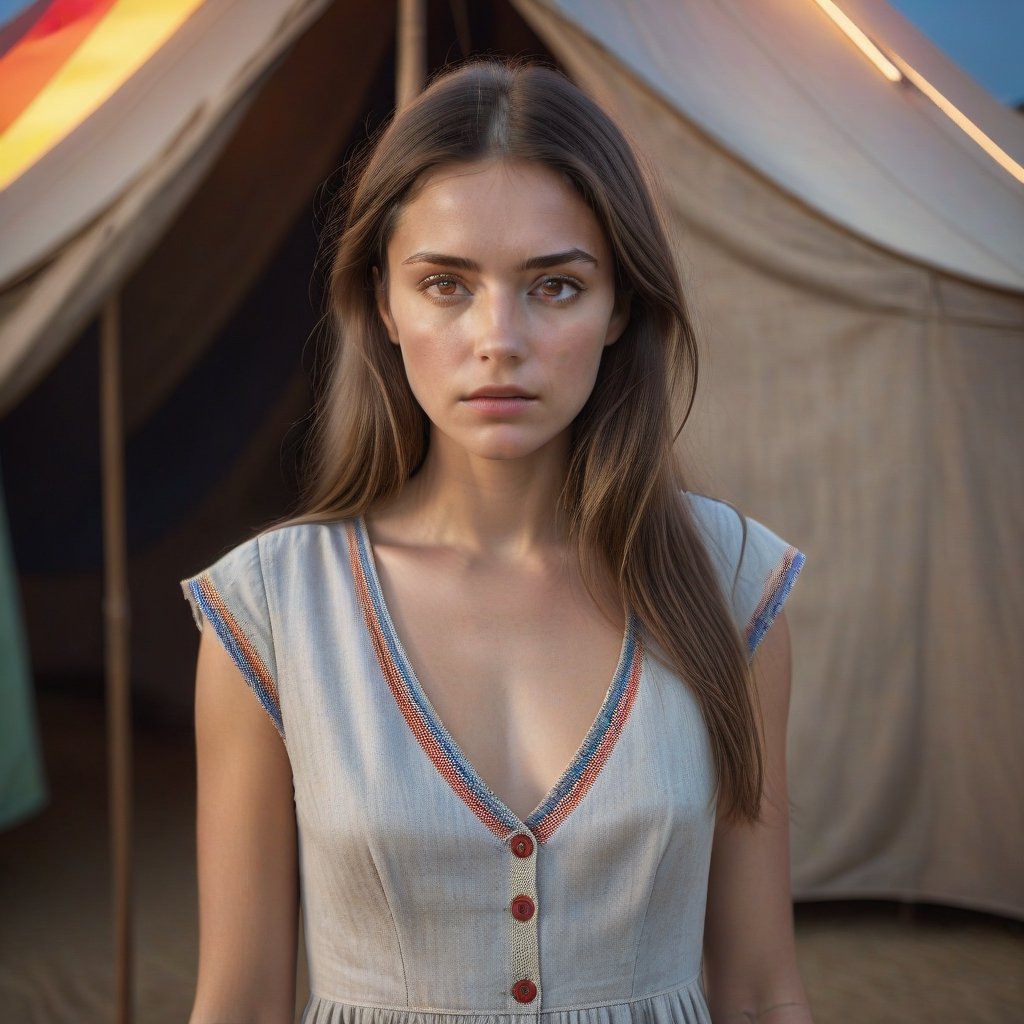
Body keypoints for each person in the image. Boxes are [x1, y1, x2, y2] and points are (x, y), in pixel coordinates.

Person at [182, 59, 811, 1024]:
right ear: (382, 304)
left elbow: (762, 988)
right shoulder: (269, 611)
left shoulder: (734, 585)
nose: (498, 338)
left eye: (555, 286)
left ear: (621, 311)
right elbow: (238, 999)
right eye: (445, 283)